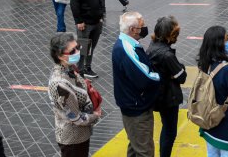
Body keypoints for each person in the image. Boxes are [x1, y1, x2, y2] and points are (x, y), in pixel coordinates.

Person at [112, 12, 160, 157]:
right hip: (137, 108)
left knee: (135, 144)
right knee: (144, 150)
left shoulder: (128, 43)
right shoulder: (126, 49)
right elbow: (146, 78)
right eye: (142, 25)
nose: (144, 28)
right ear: (133, 30)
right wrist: (160, 76)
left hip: (132, 104)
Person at [47, 33, 101, 156]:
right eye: (72, 51)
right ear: (60, 56)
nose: (77, 52)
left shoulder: (70, 68)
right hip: (72, 138)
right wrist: (96, 115)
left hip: (80, 135)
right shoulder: (59, 83)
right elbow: (75, 117)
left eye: (77, 47)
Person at [196, 26, 228, 157]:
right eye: (227, 39)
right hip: (226, 123)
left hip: (208, 121)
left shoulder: (204, 64)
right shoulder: (227, 70)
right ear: (219, 44)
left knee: (211, 153)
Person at [147, 16, 187, 157]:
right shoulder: (167, 55)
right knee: (170, 130)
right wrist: (179, 68)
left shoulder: (152, 47)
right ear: (170, 35)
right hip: (169, 97)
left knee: (166, 127)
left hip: (157, 94)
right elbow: (182, 77)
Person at [69, 0, 105, 79]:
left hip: (97, 23)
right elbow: (74, 5)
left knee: (91, 47)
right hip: (85, 24)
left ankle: (87, 68)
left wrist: (101, 17)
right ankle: (78, 70)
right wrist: (79, 21)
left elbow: (100, 1)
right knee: (83, 48)